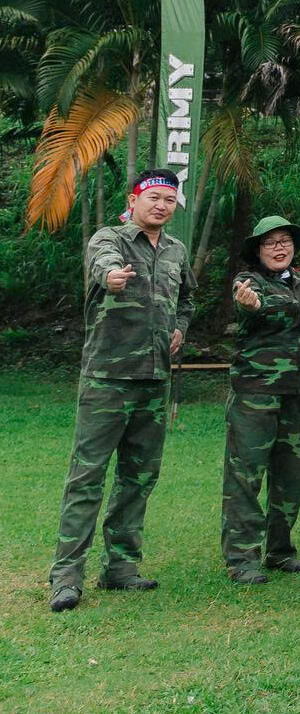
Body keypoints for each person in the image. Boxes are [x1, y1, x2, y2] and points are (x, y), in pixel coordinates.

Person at [49, 170, 196, 613]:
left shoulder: (175, 250)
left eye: (169, 200)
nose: (161, 206)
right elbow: (103, 264)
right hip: (107, 381)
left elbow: (187, 298)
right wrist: (112, 276)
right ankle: (66, 577)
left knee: (138, 479)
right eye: (153, 197)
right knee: (87, 476)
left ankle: (121, 568)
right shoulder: (108, 238)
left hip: (154, 381)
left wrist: (180, 328)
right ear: (133, 200)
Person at [221, 215, 300, 585]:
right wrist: (249, 306)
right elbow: (248, 308)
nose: (279, 248)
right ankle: (241, 558)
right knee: (245, 477)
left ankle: (280, 550)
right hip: (256, 394)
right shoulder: (247, 283)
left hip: (297, 394)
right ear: (258, 250)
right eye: (270, 243)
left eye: (285, 241)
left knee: (290, 478)